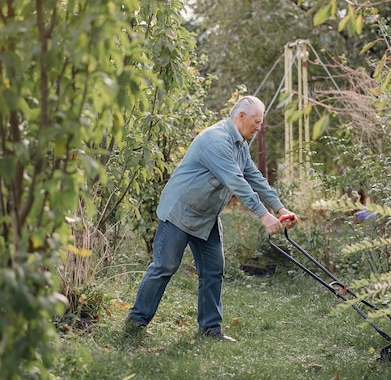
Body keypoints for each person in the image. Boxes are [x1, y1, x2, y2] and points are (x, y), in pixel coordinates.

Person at [125, 95, 298, 342]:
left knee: (213, 270)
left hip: (206, 216)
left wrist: (280, 209)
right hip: (180, 210)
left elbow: (254, 177)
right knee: (165, 266)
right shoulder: (216, 141)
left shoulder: (240, 144)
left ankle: (210, 329)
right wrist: (263, 215)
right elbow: (237, 183)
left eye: (261, 122)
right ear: (241, 116)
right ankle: (136, 322)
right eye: (257, 122)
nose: (259, 127)